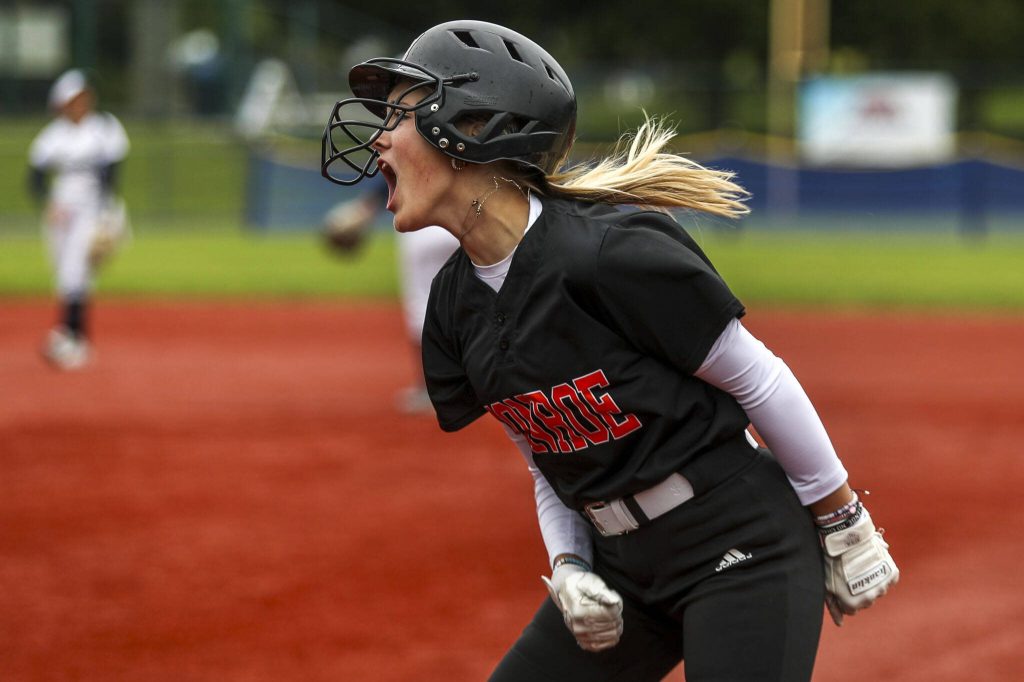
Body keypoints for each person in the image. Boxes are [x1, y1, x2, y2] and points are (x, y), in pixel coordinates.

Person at [321, 20, 899, 681]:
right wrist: (569, 567)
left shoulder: (606, 253)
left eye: (399, 114)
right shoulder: (454, 307)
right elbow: (548, 457)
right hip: (622, 565)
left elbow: (759, 378)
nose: (378, 138)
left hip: (740, 544)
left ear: (472, 127)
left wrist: (843, 518)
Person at [321, 175, 459, 413]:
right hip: (467, 219)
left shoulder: (411, 139)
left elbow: (398, 170)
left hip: (424, 226)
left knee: (422, 307)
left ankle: (430, 391)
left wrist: (364, 207)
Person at [27, 68, 130, 370]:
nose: (80, 103)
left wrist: (108, 211)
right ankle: (77, 340)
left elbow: (112, 171)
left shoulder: (105, 127)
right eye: (74, 99)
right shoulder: (53, 135)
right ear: (62, 103)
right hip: (62, 211)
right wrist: (47, 203)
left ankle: (69, 337)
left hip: (92, 208)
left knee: (76, 271)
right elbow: (34, 176)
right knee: (65, 274)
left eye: (83, 97)